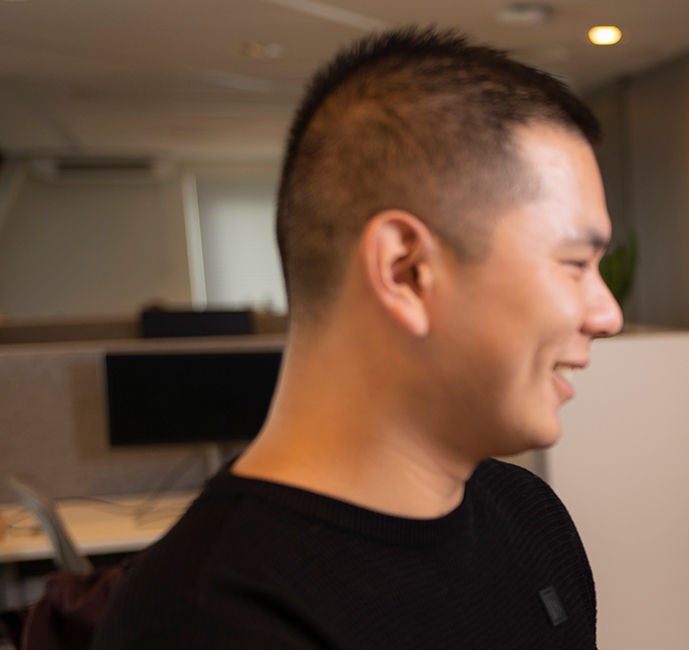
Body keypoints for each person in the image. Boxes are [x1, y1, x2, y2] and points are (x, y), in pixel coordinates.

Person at [93, 27, 623, 648]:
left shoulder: (530, 518)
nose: (607, 313)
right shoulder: (206, 619)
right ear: (407, 271)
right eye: (575, 263)